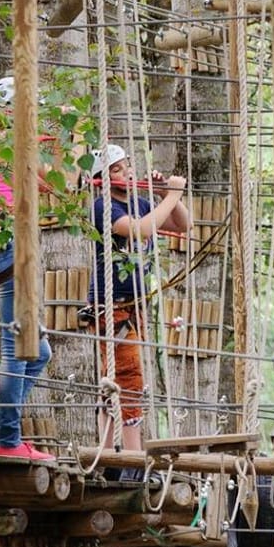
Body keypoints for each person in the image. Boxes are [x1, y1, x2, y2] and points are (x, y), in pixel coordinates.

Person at [88, 144, 189, 458]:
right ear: (101, 179)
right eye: (116, 169)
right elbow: (139, 231)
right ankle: (131, 458)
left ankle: (109, 454)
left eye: (126, 166)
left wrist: (164, 195)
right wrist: (171, 195)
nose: (125, 172)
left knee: (119, 380)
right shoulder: (102, 207)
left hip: (135, 305)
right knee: (128, 377)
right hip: (111, 304)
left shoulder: (140, 202)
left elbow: (183, 225)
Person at [0, 151, 55, 462]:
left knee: (40, 352)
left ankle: (8, 429)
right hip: (3, 244)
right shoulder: (11, 147)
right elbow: (62, 183)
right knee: (18, 348)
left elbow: (45, 186)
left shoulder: (0, 152)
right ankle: (8, 440)